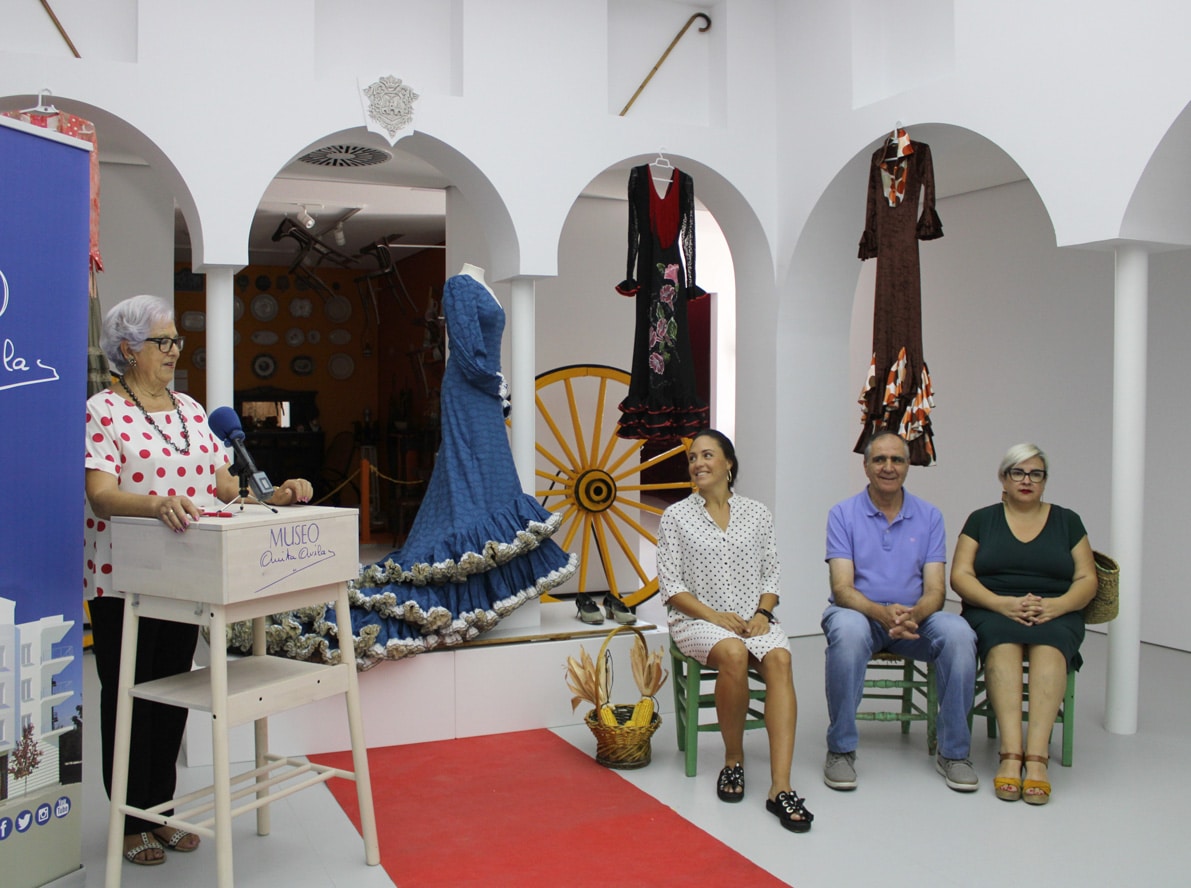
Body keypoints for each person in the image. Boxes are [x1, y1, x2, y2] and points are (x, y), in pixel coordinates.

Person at [85, 294, 313, 865]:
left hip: (190, 575)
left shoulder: (190, 408)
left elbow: (223, 486)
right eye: (162, 342)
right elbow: (101, 494)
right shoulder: (102, 411)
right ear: (128, 348)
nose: (173, 351)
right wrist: (156, 502)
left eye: (176, 342)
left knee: (173, 693)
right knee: (129, 692)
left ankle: (159, 809)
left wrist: (276, 494)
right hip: (126, 580)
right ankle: (130, 817)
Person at [656, 429, 813, 833]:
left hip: (752, 617)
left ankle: (781, 787)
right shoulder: (676, 516)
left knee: (780, 658)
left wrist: (763, 613)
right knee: (733, 653)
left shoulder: (758, 513)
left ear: (729, 463)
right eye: (693, 458)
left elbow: (772, 573)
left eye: (708, 455)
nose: (698, 464)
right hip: (695, 621)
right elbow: (671, 587)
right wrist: (713, 615)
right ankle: (733, 760)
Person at [822, 431, 978, 792]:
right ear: (865, 466)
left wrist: (913, 615)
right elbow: (842, 588)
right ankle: (841, 749)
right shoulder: (843, 514)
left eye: (897, 460)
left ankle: (953, 753)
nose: (888, 467)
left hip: (914, 619)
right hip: (859, 614)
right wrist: (881, 613)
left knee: (959, 633)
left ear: (908, 466)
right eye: (879, 460)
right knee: (847, 632)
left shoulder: (930, 516)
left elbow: (936, 590)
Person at [950, 443, 1096, 805]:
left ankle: (1038, 759)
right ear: (1004, 477)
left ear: (1045, 481)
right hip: (993, 608)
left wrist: (1057, 606)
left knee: (1051, 647)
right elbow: (961, 575)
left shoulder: (1068, 520)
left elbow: (1087, 579)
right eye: (1018, 472)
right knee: (1002, 645)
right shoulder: (981, 519)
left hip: (1055, 611)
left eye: (1035, 474)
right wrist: (1002, 603)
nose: (1027, 480)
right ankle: (1010, 755)